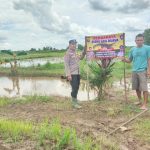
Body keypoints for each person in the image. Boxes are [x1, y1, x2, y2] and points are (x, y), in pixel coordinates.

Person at [121, 34, 150, 110]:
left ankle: (144, 105)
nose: (139, 41)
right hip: (134, 70)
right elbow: (129, 60)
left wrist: (148, 70)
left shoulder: (147, 48)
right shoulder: (132, 49)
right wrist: (124, 59)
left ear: (143, 40)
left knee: (144, 88)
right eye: (138, 40)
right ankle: (140, 101)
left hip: (143, 70)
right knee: (136, 88)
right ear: (135, 41)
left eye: (141, 40)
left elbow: (149, 60)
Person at [64, 39, 86, 109]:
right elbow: (66, 64)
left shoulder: (75, 52)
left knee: (77, 87)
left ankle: (75, 100)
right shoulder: (67, 53)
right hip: (72, 73)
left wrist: (84, 50)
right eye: (73, 44)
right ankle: (74, 103)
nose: (74, 45)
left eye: (75, 44)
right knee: (74, 87)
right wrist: (68, 75)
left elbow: (81, 58)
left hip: (77, 73)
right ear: (69, 45)